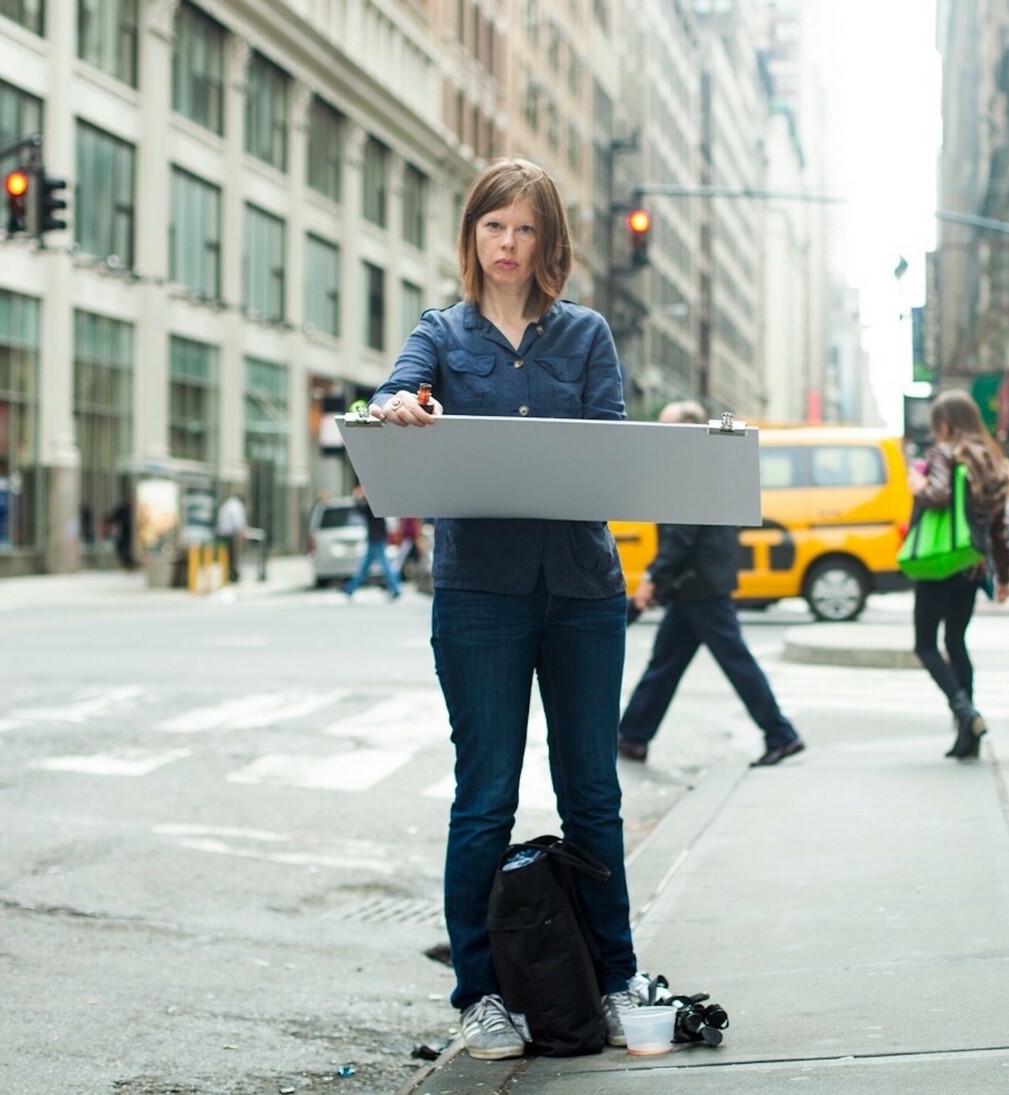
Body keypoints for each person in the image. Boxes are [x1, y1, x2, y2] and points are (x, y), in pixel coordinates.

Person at [367, 157, 642, 1059]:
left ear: (547, 240)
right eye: (495, 227)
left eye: (525, 228)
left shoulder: (587, 335)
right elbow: (390, 391)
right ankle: (480, 993)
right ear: (473, 235)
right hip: (480, 594)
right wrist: (399, 405)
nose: (509, 245)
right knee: (483, 799)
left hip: (581, 593)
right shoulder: (441, 333)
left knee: (592, 793)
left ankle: (615, 975)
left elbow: (610, 448)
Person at [617, 400, 806, 768]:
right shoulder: (706, 462)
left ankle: (781, 734)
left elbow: (681, 535)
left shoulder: (690, 466)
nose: (659, 434)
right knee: (666, 663)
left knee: (734, 661)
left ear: (688, 428)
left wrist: (652, 579)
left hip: (699, 584)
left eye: (667, 426)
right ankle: (633, 736)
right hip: (698, 583)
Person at [906, 388, 1009, 759]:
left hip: (941, 562)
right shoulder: (992, 460)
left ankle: (965, 713)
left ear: (947, 422)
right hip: (973, 564)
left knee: (925, 643)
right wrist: (1003, 578)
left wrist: (919, 486)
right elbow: (998, 528)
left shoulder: (945, 453)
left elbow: (936, 495)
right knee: (955, 642)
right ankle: (967, 738)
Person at [343, 483, 402, 599]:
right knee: (366, 566)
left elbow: (359, 509)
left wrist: (357, 497)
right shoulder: (373, 501)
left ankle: (395, 588)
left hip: (376, 538)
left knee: (384, 565)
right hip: (375, 537)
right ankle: (350, 588)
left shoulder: (372, 502)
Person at [216, 493, 248, 583]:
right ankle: (232, 575)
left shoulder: (228, 503)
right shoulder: (237, 506)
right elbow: (238, 523)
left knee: (226, 555)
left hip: (222, 534)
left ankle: (227, 574)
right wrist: (243, 533)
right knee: (233, 555)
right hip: (229, 534)